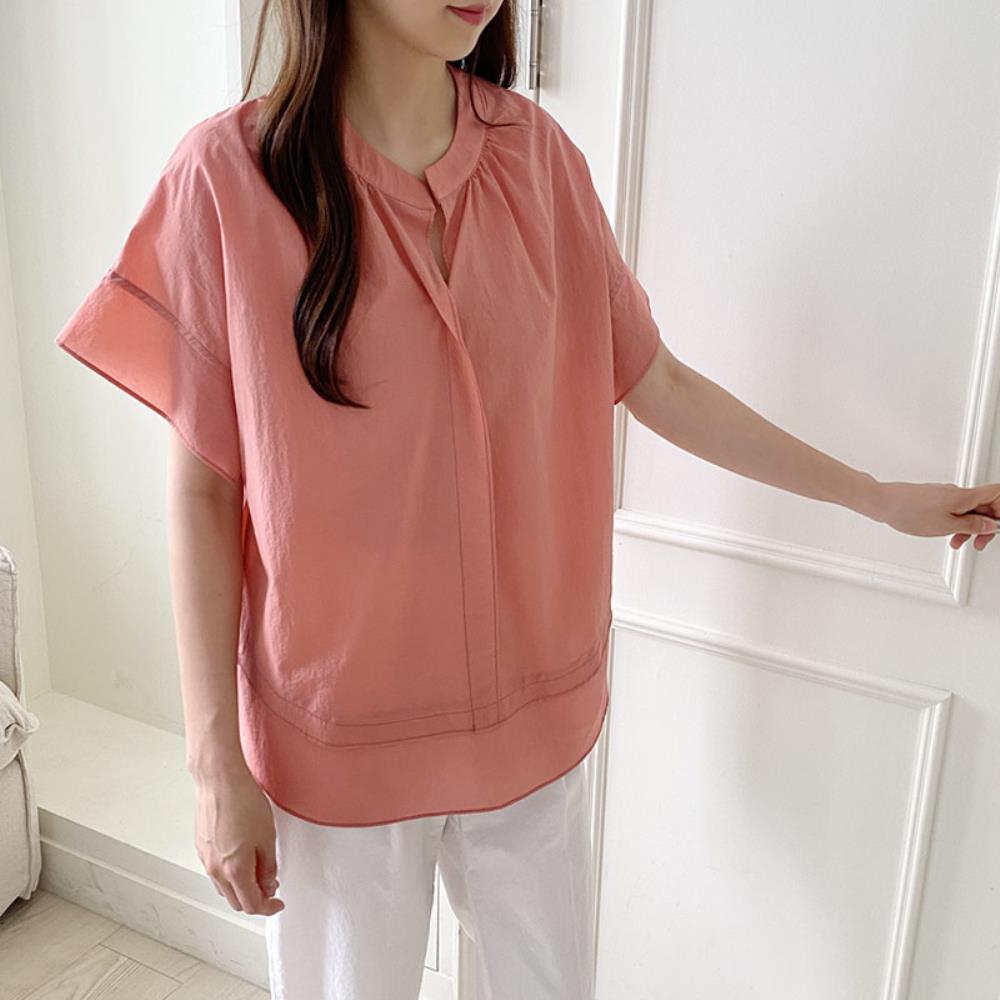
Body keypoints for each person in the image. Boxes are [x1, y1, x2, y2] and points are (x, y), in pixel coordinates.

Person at [54, 1, 999, 997]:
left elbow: (660, 382)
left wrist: (875, 498)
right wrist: (214, 762)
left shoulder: (538, 160)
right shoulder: (225, 179)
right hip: (337, 739)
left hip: (532, 726)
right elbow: (205, 491)